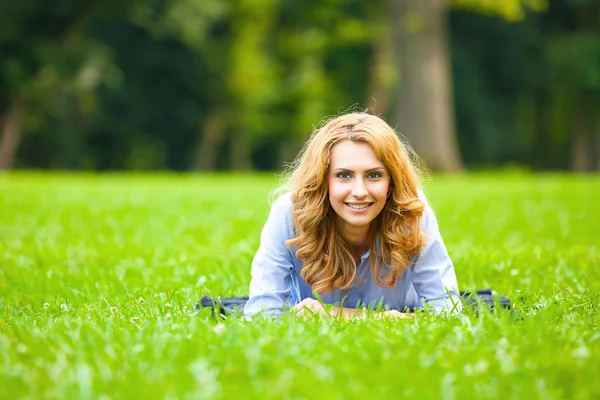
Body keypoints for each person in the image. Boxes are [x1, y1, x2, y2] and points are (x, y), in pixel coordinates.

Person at [244, 112, 460, 319]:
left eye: (374, 175)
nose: (359, 192)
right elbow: (262, 315)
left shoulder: (412, 211)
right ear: (322, 180)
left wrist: (337, 315)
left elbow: (448, 313)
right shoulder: (288, 214)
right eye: (343, 175)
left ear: (392, 181)